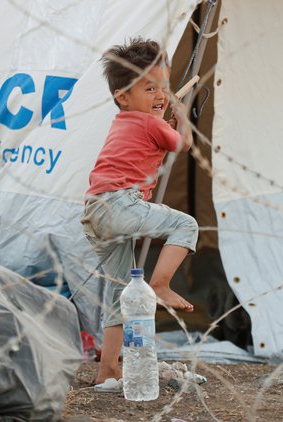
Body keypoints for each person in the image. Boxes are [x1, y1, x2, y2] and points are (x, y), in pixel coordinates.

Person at [80, 37, 198, 387]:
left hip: (96, 211)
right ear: (123, 96)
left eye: (164, 88)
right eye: (150, 89)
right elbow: (183, 143)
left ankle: (107, 372)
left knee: (119, 295)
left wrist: (161, 112)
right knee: (185, 225)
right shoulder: (149, 123)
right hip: (120, 203)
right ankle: (160, 285)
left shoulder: (126, 121)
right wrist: (179, 114)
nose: (160, 96)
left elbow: (157, 137)